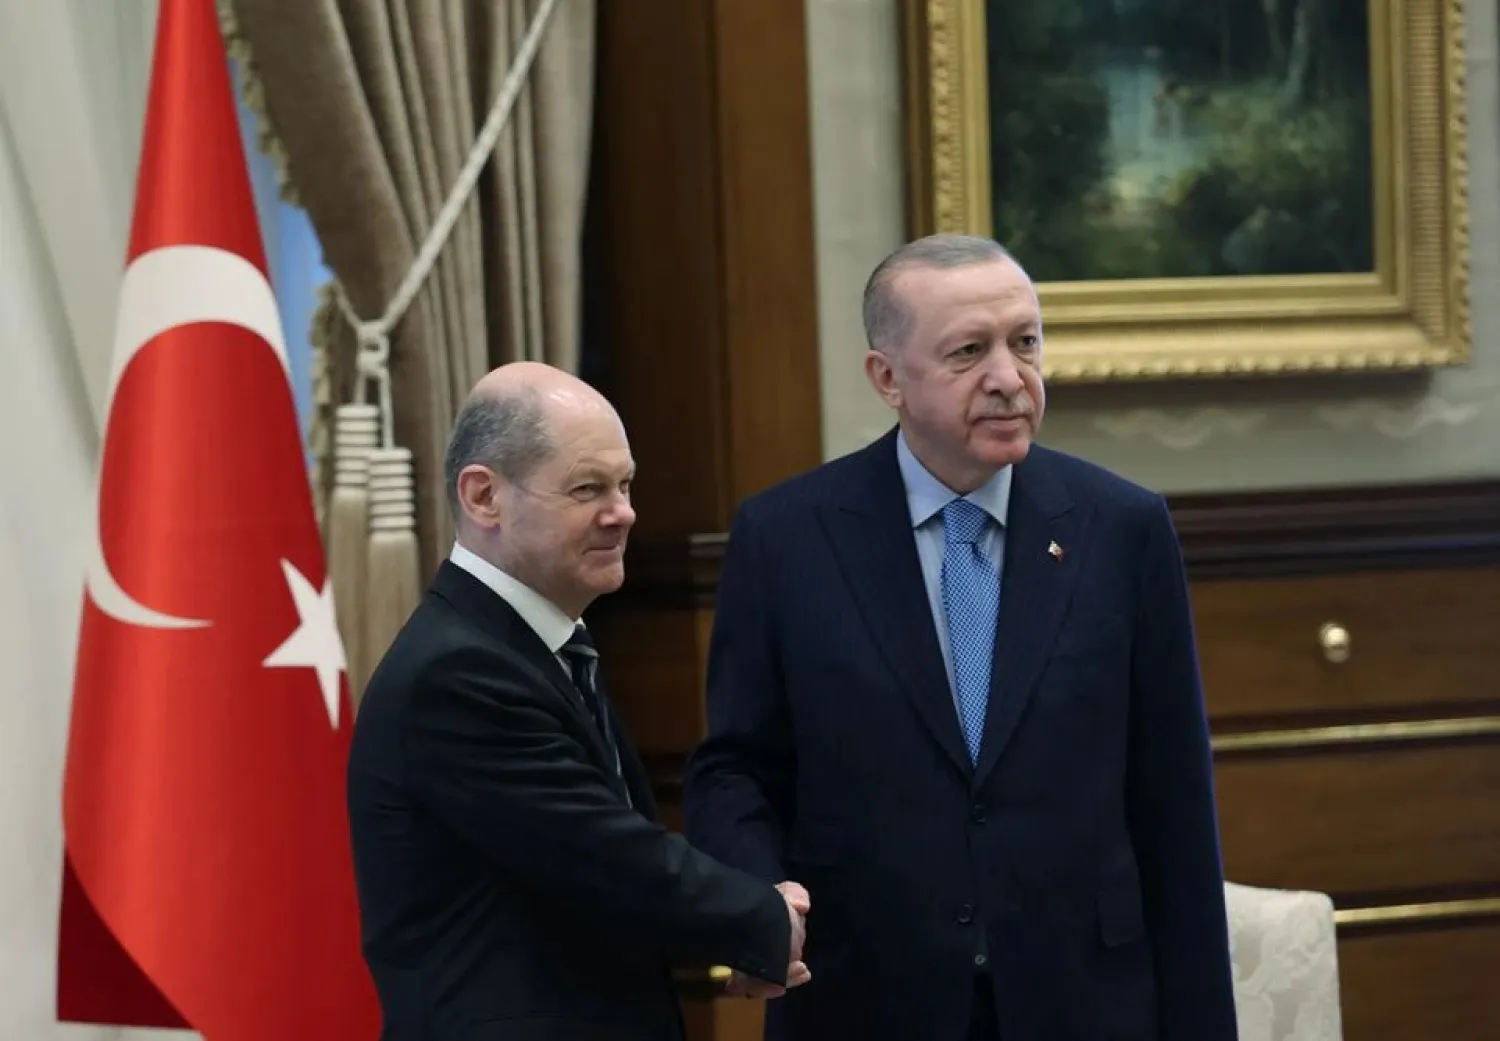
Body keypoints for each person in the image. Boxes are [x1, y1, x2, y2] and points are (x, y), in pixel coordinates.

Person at [682, 235, 1239, 1041]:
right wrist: (758, 900)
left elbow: (1175, 804)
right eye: (969, 352)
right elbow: (735, 766)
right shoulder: (787, 536)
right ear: (887, 378)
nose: (1008, 378)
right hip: (867, 996)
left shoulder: (1123, 528)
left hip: (1084, 1001)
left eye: (1025, 343)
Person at [347, 362, 810, 1040]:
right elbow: (608, 858)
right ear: (483, 497)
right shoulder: (457, 673)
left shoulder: (538, 648)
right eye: (588, 487)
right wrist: (763, 918)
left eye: (625, 484)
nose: (622, 511)